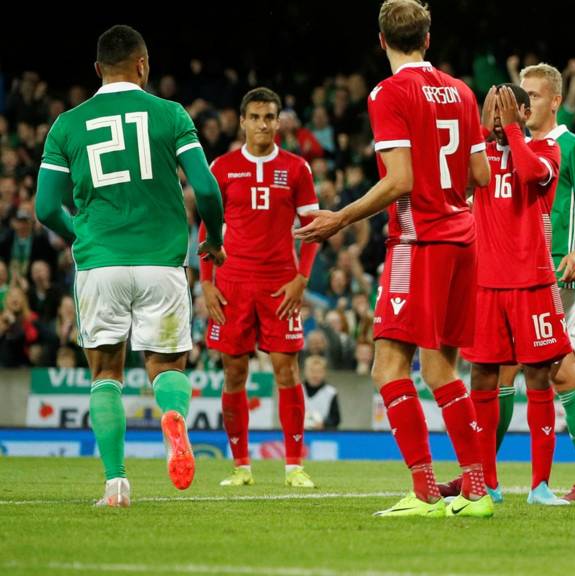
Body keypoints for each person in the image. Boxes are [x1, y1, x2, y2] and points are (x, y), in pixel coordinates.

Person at [295, 0, 492, 518]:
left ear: (380, 40)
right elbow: (480, 175)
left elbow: (400, 181)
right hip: (462, 239)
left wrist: (340, 218)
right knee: (442, 367)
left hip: (418, 242)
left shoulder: (389, 93)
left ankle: (425, 491)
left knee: (387, 366)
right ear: (427, 39)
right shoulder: (463, 91)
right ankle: (476, 491)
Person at [34, 25, 226, 507]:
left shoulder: (66, 125)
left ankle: (116, 484)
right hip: (161, 264)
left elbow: (44, 207)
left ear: (97, 69)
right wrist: (214, 239)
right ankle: (173, 416)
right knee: (165, 366)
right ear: (143, 65)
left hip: (101, 266)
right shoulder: (170, 113)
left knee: (105, 375)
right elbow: (205, 189)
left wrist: (82, 233)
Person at [199, 87, 320, 489]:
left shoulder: (297, 168)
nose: (263, 124)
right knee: (234, 372)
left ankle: (294, 466)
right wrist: (205, 283)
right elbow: (208, 229)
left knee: (287, 370)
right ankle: (241, 467)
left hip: (279, 284)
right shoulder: (222, 167)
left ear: (279, 121)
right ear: (243, 121)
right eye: (255, 117)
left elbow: (314, 227)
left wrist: (302, 278)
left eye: (270, 117)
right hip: (232, 284)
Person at [459, 84, 572, 505]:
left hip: (533, 283)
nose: (494, 115)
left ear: (524, 112)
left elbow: (528, 174)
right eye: (490, 108)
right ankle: (487, 481)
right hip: (485, 284)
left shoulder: (546, 151)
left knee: (540, 376)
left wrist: (512, 128)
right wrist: (486, 129)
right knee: (483, 377)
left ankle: (540, 486)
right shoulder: (479, 155)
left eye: (504, 107)